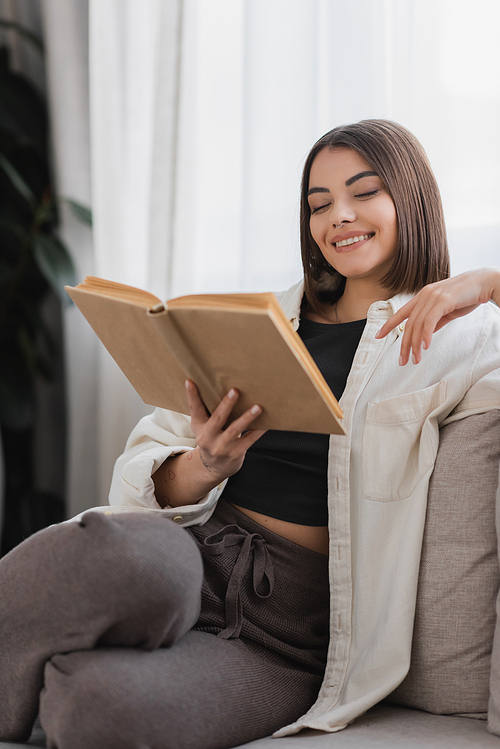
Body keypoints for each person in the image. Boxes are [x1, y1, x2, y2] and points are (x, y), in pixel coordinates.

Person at [1, 120, 500, 749]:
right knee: (116, 550)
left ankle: (44, 682)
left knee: (94, 708)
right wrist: (206, 463)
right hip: (188, 557)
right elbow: (149, 464)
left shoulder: (464, 338)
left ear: (413, 198)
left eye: (363, 192)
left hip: (283, 637)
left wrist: (485, 283)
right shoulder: (261, 317)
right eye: (319, 205)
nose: (338, 217)